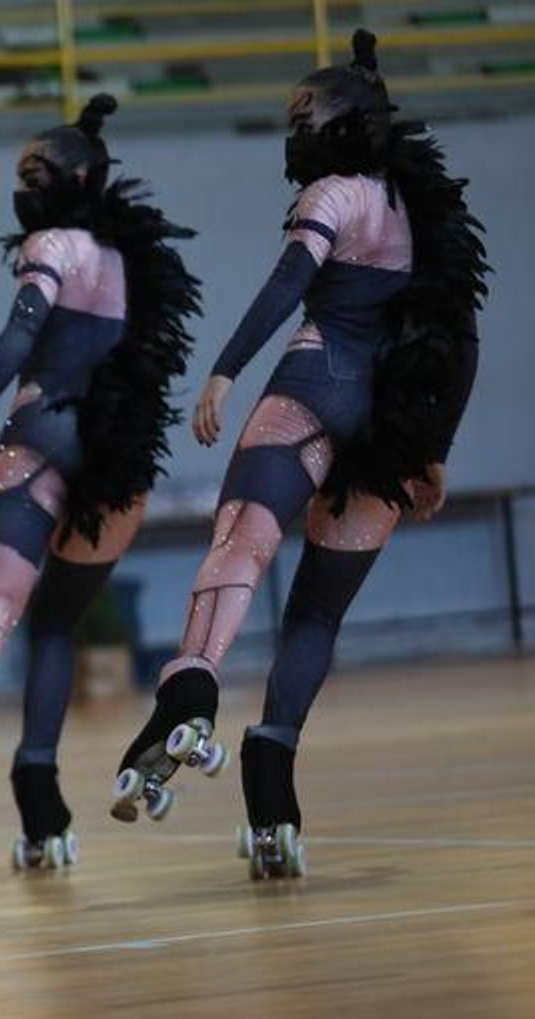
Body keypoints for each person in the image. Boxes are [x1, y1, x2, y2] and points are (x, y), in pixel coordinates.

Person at [110, 32, 487, 881]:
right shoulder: (421, 212)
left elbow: (288, 283)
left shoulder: (335, 193)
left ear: (346, 124)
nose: (295, 132)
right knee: (317, 615)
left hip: (312, 386)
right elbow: (459, 337)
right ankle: (273, 782)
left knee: (241, 542)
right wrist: (431, 450)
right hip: (387, 418)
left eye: (304, 117)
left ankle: (191, 687)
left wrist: (223, 369)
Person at [0, 95, 200, 876]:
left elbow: (25, 325)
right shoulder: (134, 260)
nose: (23, 186)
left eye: (36, 172)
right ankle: (40, 796)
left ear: (79, 177)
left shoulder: (54, 242)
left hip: (39, 432)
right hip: (117, 458)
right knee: (58, 627)